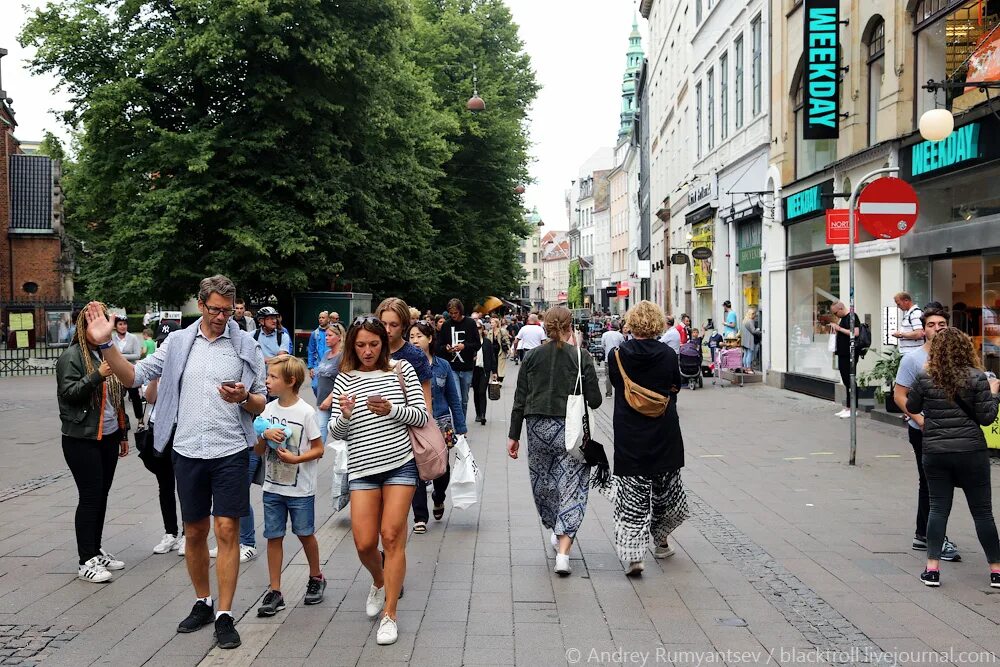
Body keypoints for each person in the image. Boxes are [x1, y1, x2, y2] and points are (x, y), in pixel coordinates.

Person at [83, 275, 267, 650]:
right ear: (201, 305)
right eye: (214, 309)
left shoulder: (245, 345)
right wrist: (105, 345)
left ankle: (225, 614)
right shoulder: (180, 342)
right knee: (195, 532)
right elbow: (134, 376)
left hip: (231, 450)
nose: (220, 317)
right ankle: (203, 601)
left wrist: (244, 396)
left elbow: (262, 401)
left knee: (228, 530)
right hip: (187, 450)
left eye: (226, 311)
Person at [329, 318, 429, 646]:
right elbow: (335, 433)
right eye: (361, 345)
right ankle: (380, 580)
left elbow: (421, 415)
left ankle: (390, 615)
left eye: (374, 344)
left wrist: (392, 409)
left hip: (400, 466)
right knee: (363, 543)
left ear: (383, 343)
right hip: (362, 469)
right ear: (352, 346)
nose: (368, 351)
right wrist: (344, 415)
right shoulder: (344, 378)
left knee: (391, 535)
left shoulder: (401, 370)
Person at [507, 306, 602, 577]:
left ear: (545, 327)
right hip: (570, 430)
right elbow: (594, 400)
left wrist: (514, 435)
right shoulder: (580, 357)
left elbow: (519, 399)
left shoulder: (532, 357)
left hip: (536, 427)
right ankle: (563, 552)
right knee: (572, 484)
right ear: (571, 327)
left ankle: (554, 525)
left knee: (544, 482)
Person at [907, 328, 1000, 588]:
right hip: (971, 451)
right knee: (983, 513)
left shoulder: (925, 376)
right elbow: (987, 417)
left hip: (936, 451)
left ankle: (933, 569)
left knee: (938, 509)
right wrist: (993, 393)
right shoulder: (977, 377)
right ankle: (996, 571)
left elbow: (912, 407)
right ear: (965, 348)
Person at [607, 300, 688, 576]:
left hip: (629, 431)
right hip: (663, 430)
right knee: (665, 489)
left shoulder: (617, 354)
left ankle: (634, 556)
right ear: (656, 323)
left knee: (632, 494)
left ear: (631, 323)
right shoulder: (666, 354)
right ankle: (662, 541)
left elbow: (617, 385)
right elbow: (675, 386)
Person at [56, 305, 130, 584]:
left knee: (101, 495)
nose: (101, 325)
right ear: (82, 326)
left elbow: (118, 397)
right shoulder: (71, 356)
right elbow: (68, 394)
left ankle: (95, 550)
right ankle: (85, 560)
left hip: (108, 435)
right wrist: (97, 374)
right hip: (81, 439)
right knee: (90, 497)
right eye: (93, 321)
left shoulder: (107, 352)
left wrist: (123, 433)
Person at [254, 356, 327, 616]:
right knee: (273, 537)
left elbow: (319, 450)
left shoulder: (307, 412)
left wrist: (296, 458)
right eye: (268, 376)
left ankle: (316, 577)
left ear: (290, 381)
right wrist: (264, 435)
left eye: (273, 377)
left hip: (300, 490)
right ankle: (275, 590)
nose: (267, 381)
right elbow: (258, 449)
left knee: (305, 533)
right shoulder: (268, 410)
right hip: (272, 487)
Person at [893, 309, 961, 561]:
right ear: (924, 331)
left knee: (932, 483)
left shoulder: (957, 358)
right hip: (925, 431)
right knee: (936, 483)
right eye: (932, 324)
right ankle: (935, 538)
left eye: (942, 323)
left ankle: (923, 534)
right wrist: (921, 421)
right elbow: (900, 395)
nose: (938, 328)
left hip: (953, 429)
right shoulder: (913, 359)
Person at [408, 321, 467, 529]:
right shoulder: (404, 365)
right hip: (413, 423)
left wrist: (461, 428)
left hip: (440, 422)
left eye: (419, 336)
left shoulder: (443, 365)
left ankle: (439, 495)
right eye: (412, 336)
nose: (415, 340)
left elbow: (453, 397)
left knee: (442, 468)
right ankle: (420, 517)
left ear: (430, 339)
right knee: (415, 468)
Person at [377, 297, 434, 415]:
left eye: (393, 325)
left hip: (409, 424)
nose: (387, 330)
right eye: (383, 324)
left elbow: (426, 404)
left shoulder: (416, 356)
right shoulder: (371, 353)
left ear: (403, 325)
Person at [436, 299, 481, 419]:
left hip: (466, 367)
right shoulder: (446, 325)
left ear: (460, 311)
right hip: (452, 367)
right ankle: (458, 428)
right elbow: (438, 346)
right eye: (451, 313)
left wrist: (464, 346)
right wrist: (446, 348)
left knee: (464, 400)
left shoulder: (470, 323)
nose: (453, 316)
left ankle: (462, 426)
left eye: (455, 313)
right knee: (457, 398)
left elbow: (477, 344)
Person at [829, 301, 861, 419]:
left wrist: (839, 328)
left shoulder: (852, 316)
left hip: (850, 354)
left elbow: (855, 333)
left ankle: (853, 408)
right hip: (843, 353)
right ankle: (848, 407)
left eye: (836, 313)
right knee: (846, 380)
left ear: (841, 308)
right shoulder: (843, 318)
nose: (836, 315)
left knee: (850, 380)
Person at [315, 323, 346, 443]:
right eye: (326, 335)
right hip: (321, 401)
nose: (326, 338)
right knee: (319, 433)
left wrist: (329, 399)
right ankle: (315, 458)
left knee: (341, 436)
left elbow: (343, 380)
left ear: (339, 337)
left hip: (336, 403)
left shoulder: (342, 356)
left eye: (329, 335)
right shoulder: (326, 353)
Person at [112, 316, 144, 418]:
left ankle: (140, 420)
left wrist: (120, 356)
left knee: (135, 396)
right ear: (115, 326)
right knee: (117, 397)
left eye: (124, 324)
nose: (123, 326)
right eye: (120, 324)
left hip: (131, 371)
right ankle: (122, 420)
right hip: (116, 372)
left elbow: (137, 355)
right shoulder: (111, 338)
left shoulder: (133, 338)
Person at [472, 319, 497, 425]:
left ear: (482, 329)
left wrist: (494, 371)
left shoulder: (487, 342)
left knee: (482, 392)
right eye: (475, 328)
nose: (477, 330)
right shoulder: (471, 342)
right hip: (474, 370)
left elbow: (492, 357)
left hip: (484, 370)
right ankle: (478, 413)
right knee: (476, 392)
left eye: (479, 328)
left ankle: (483, 415)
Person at [307, 311, 330, 398]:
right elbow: (311, 351)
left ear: (328, 319)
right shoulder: (315, 334)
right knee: (315, 386)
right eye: (319, 318)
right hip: (318, 365)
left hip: (331, 364)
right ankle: (321, 401)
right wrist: (311, 367)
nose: (320, 319)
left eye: (323, 318)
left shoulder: (332, 332)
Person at [601, 321, 626, 397]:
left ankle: (608, 393)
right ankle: (619, 392)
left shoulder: (605, 334)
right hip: (618, 358)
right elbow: (623, 345)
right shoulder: (620, 335)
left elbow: (603, 345)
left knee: (608, 376)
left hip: (607, 358)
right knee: (619, 375)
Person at [489, 316, 511, 382]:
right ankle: (495, 378)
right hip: (492, 351)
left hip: (500, 351)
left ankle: (500, 380)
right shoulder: (490, 332)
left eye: (492, 323)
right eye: (491, 323)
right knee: (494, 365)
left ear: (496, 323)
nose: (491, 324)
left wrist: (509, 349)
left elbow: (507, 340)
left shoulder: (502, 331)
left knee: (500, 366)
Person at [741, 308, 760, 374]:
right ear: (752, 314)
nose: (755, 316)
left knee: (745, 354)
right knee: (749, 354)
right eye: (755, 314)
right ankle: (748, 369)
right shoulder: (750, 321)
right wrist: (759, 330)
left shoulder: (744, 320)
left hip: (744, 340)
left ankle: (745, 368)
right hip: (749, 340)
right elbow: (753, 331)